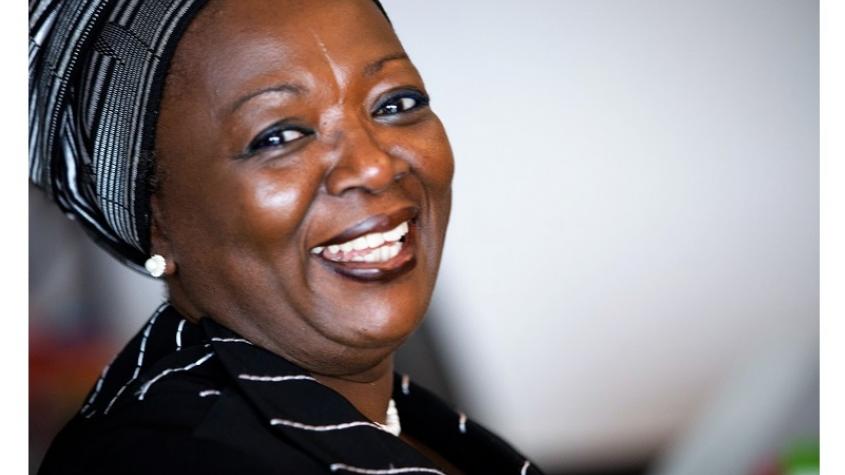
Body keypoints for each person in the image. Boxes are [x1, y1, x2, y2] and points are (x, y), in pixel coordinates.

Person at [30, 0, 544, 473]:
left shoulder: (407, 420)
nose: (373, 167)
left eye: (394, 103)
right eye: (279, 136)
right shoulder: (175, 460)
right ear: (156, 220)